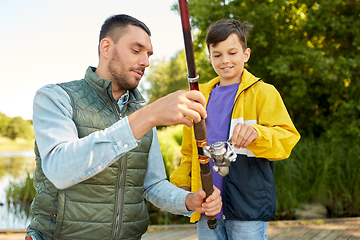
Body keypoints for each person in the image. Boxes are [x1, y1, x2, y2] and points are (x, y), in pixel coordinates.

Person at [25, 14, 222, 240]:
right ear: (106, 47)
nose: (146, 62)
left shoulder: (143, 111)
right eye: (136, 50)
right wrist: (147, 116)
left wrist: (187, 201)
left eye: (148, 55)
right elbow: (60, 169)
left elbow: (153, 184)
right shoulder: (55, 97)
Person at [170, 19, 300, 240]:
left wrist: (259, 133)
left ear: (246, 54)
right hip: (206, 209)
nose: (225, 60)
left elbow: (287, 138)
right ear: (209, 57)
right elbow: (189, 154)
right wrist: (181, 187)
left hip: (248, 209)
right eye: (217, 55)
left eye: (232, 52)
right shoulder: (198, 98)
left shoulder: (264, 92)